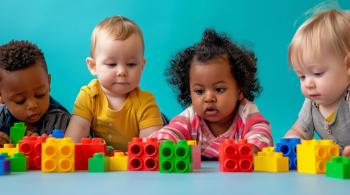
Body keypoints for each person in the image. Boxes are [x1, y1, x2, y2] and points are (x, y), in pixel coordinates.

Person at [150, 29, 273, 158]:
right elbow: (173, 130)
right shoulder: (191, 117)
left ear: (240, 90)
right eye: (199, 91)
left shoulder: (246, 112)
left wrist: (253, 148)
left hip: (236, 176)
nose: (209, 98)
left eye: (219, 89)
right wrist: (163, 142)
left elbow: (261, 132)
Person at [65, 16, 163, 151]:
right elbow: (76, 133)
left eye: (131, 64)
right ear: (93, 66)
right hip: (100, 163)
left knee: (164, 134)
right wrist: (68, 152)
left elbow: (149, 146)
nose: (122, 71)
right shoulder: (89, 96)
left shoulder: (145, 102)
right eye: (111, 64)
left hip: (133, 164)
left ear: (142, 66)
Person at [284, 9, 350, 156]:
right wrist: (292, 140)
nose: (308, 84)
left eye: (317, 73)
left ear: (348, 66)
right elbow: (300, 130)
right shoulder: (312, 103)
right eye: (302, 77)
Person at [0, 40, 70, 146]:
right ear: (1, 96)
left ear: (48, 82)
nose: (33, 105)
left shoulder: (61, 122)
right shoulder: (2, 116)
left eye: (40, 94)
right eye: (20, 101)